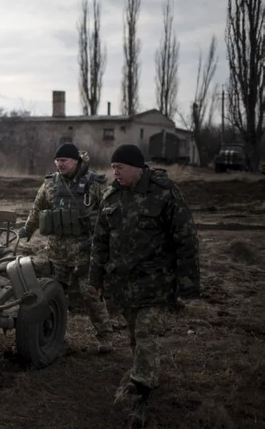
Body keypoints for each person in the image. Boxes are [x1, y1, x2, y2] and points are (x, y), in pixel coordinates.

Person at [89, 144, 200, 427]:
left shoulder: (165, 192)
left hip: (156, 281)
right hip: (123, 283)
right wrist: (96, 278)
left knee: (147, 333)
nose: (115, 172)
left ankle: (141, 390)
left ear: (138, 168)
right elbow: (100, 241)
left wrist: (187, 283)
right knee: (135, 336)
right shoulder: (111, 195)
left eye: (120, 167)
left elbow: (185, 238)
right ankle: (143, 374)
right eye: (113, 167)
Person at [18, 143, 114, 353]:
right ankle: (55, 337)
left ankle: (106, 337)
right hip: (57, 252)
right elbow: (37, 209)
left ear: (76, 161)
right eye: (57, 161)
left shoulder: (93, 183)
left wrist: (111, 239)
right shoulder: (50, 185)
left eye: (64, 161)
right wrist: (26, 230)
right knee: (54, 295)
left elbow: (110, 211)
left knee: (90, 294)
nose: (60, 164)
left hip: (85, 251)